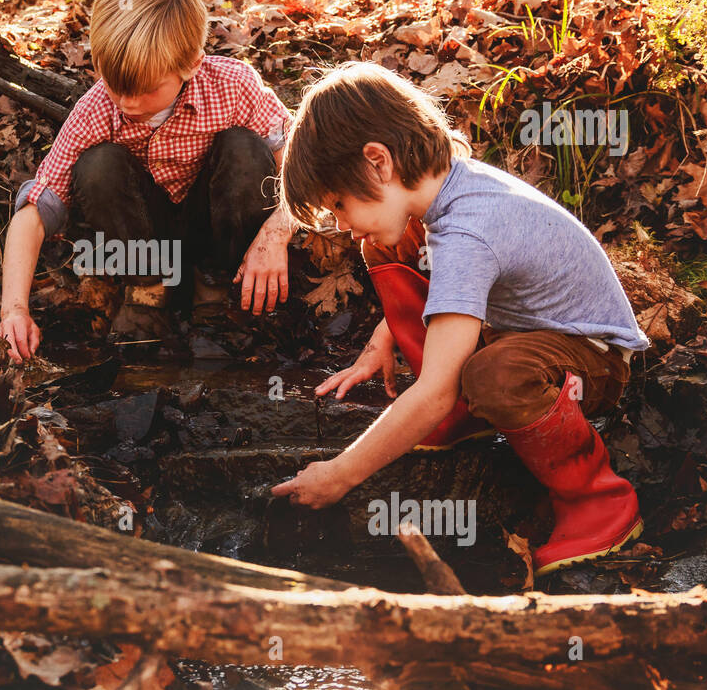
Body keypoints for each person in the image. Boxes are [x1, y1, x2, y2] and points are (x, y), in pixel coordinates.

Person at [271, 61, 650, 576]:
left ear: (378, 162)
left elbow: (434, 385)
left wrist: (340, 474)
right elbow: (450, 287)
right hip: (522, 329)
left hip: (590, 358)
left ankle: (599, 502)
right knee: (386, 242)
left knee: (491, 377)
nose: (341, 224)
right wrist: (383, 339)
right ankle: (460, 414)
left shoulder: (470, 229)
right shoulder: (445, 193)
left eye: (339, 203)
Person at [0, 0, 293, 360]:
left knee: (245, 149)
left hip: (222, 234)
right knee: (98, 166)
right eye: (115, 86)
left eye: (146, 90)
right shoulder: (96, 109)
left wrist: (277, 232)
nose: (128, 104)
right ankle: (147, 294)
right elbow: (35, 210)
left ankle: (216, 299)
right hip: (146, 242)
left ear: (190, 65)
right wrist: (14, 310)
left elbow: (299, 163)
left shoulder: (233, 85)